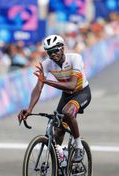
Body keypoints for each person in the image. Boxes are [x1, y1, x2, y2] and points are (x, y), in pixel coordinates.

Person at [17, 34, 91, 163]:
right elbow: (38, 88)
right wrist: (29, 109)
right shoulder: (47, 64)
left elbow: (72, 86)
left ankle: (78, 146)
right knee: (57, 131)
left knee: (68, 112)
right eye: (49, 52)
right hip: (66, 96)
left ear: (62, 48)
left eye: (55, 50)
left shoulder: (75, 58)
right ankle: (59, 168)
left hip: (81, 93)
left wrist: (46, 81)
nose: (53, 55)